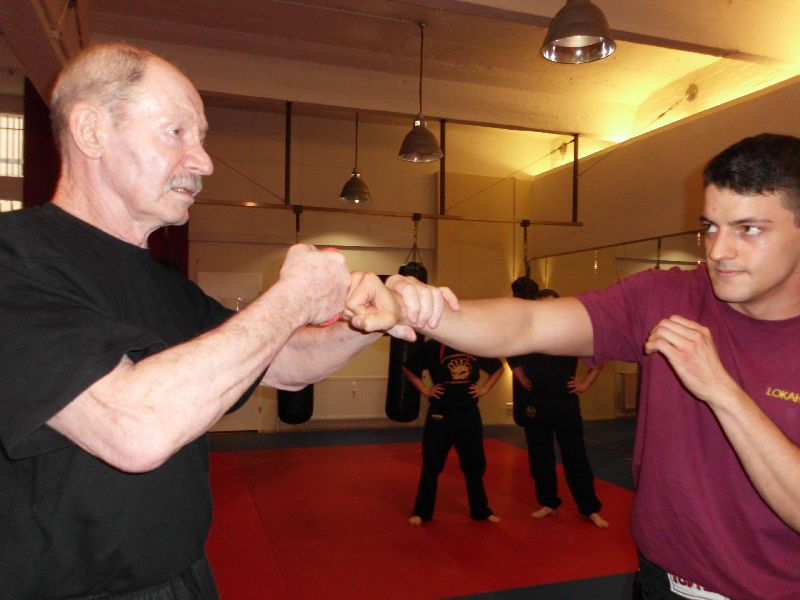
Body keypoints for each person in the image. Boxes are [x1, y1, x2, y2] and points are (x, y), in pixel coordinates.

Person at [0, 43, 458, 600]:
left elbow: (284, 361)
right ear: (92, 131)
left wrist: (365, 322)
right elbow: (134, 428)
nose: (204, 162)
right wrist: (294, 298)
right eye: (176, 133)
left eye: (202, 138)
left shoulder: (167, 285)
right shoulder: (15, 259)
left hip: (185, 580)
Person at [412, 133, 800, 599]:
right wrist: (416, 310)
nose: (717, 251)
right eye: (710, 227)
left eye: (748, 229)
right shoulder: (666, 295)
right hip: (657, 581)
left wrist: (721, 391)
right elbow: (527, 323)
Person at [507, 288, 608, 528]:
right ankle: (548, 502)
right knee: (540, 456)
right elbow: (508, 350)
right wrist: (519, 374)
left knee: (576, 456)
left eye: (552, 305)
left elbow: (599, 357)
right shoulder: (527, 334)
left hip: (565, 402)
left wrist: (584, 385)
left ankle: (589, 508)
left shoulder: (571, 335)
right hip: (535, 402)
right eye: (543, 305)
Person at [402, 341, 504, 525]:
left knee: (474, 466)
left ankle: (480, 511)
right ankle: (422, 512)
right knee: (431, 465)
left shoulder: (474, 343)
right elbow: (408, 368)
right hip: (440, 415)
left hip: (468, 414)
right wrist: (425, 389)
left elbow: (498, 368)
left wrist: (484, 389)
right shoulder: (432, 347)